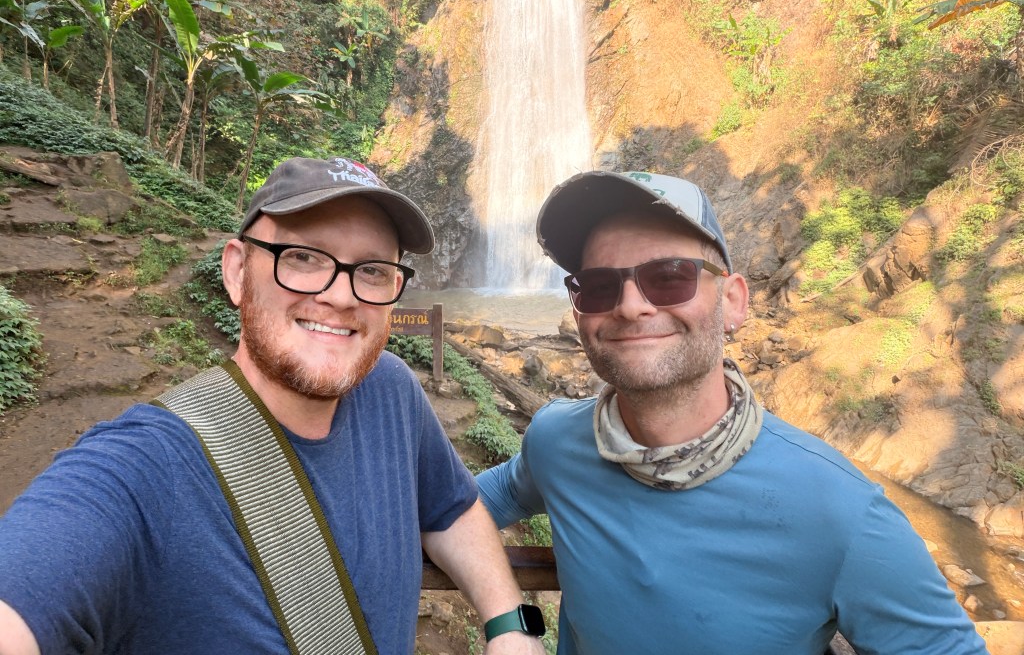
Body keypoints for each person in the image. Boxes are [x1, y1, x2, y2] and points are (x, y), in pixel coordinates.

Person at [0, 156, 545, 655]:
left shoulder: (391, 390)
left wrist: (509, 623)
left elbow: (451, 507)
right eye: (304, 257)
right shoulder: (138, 472)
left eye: (373, 270)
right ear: (236, 270)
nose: (341, 295)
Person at [477, 169, 988, 655]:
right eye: (599, 286)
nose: (631, 306)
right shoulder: (556, 441)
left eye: (670, 276)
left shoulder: (842, 512)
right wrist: (504, 613)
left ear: (734, 302)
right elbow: (469, 501)